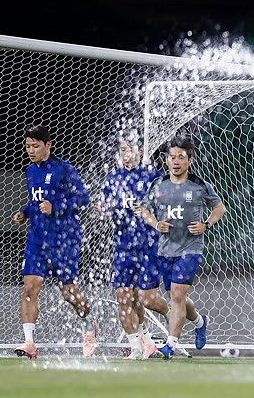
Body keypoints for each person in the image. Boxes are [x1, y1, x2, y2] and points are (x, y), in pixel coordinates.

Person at [136, 136, 224, 360]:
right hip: (164, 249)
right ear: (166, 160)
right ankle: (199, 321)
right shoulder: (158, 185)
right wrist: (156, 223)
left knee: (177, 294)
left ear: (189, 160)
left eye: (181, 157)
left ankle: (170, 345)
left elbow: (219, 208)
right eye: (172, 157)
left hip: (190, 248)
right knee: (152, 298)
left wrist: (206, 224)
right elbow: (143, 210)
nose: (176, 161)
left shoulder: (199, 185)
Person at [13, 125, 94, 359]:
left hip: (64, 240)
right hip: (37, 240)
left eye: (35, 146)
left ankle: (90, 326)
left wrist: (56, 207)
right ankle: (29, 343)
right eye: (28, 146)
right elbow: (35, 201)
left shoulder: (64, 169)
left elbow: (83, 198)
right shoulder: (30, 171)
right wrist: (24, 213)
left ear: (48, 145)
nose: (31, 150)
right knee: (29, 288)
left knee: (68, 293)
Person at [99, 139, 162, 359]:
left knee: (142, 298)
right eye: (122, 149)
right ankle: (135, 347)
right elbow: (103, 206)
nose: (126, 154)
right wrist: (102, 208)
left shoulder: (152, 176)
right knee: (123, 296)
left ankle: (154, 335)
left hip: (148, 246)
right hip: (123, 247)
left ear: (141, 151)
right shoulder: (113, 179)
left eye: (131, 149)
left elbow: (166, 204)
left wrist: (148, 209)